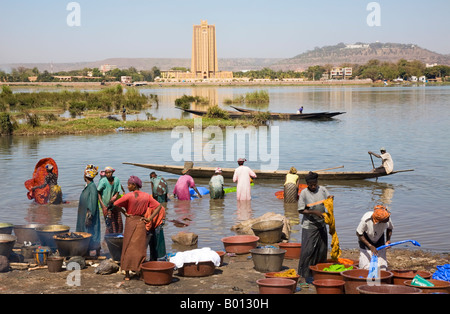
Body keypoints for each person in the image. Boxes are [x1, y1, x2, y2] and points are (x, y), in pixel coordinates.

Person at [297, 171, 334, 282]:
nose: (313, 186)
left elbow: (328, 198)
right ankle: (303, 273)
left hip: (321, 224)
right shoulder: (304, 193)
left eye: (315, 184)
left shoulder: (322, 189)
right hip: (309, 226)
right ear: (307, 183)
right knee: (308, 250)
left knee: (322, 249)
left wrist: (331, 198)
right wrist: (314, 212)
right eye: (311, 185)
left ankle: (319, 272)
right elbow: (301, 210)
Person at [113, 176, 151, 280]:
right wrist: (149, 218)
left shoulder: (129, 196)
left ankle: (127, 274)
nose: (127, 186)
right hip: (141, 222)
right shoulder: (146, 196)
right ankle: (140, 272)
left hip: (130, 222)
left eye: (129, 184)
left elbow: (115, 204)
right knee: (140, 248)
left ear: (134, 185)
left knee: (127, 247)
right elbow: (158, 206)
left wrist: (125, 213)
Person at [356, 205, 394, 270]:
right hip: (366, 238)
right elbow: (359, 233)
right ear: (380, 221)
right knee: (365, 266)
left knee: (382, 265)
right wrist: (370, 246)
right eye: (386, 219)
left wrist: (388, 240)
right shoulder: (366, 219)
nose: (388, 219)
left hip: (379, 238)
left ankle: (381, 273)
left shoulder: (386, 217)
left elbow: (389, 228)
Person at [76, 164, 101, 256]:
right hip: (84, 215)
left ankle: (92, 251)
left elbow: (93, 203)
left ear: (85, 175)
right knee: (84, 232)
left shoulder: (92, 187)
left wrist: (89, 216)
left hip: (88, 216)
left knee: (91, 232)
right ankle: (85, 250)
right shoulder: (88, 186)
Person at [97, 166, 123, 234]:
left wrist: (115, 196)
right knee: (110, 223)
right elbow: (98, 193)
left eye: (109, 172)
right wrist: (103, 205)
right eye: (106, 173)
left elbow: (118, 190)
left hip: (115, 204)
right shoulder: (103, 181)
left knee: (119, 221)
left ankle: (118, 235)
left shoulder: (116, 179)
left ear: (112, 172)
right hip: (105, 205)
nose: (108, 174)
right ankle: (107, 239)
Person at [145, 196, 166, 261]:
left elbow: (149, 222)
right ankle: (159, 258)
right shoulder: (159, 206)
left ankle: (156, 259)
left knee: (155, 243)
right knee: (158, 242)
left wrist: (146, 231)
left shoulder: (148, 208)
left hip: (157, 224)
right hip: (159, 222)